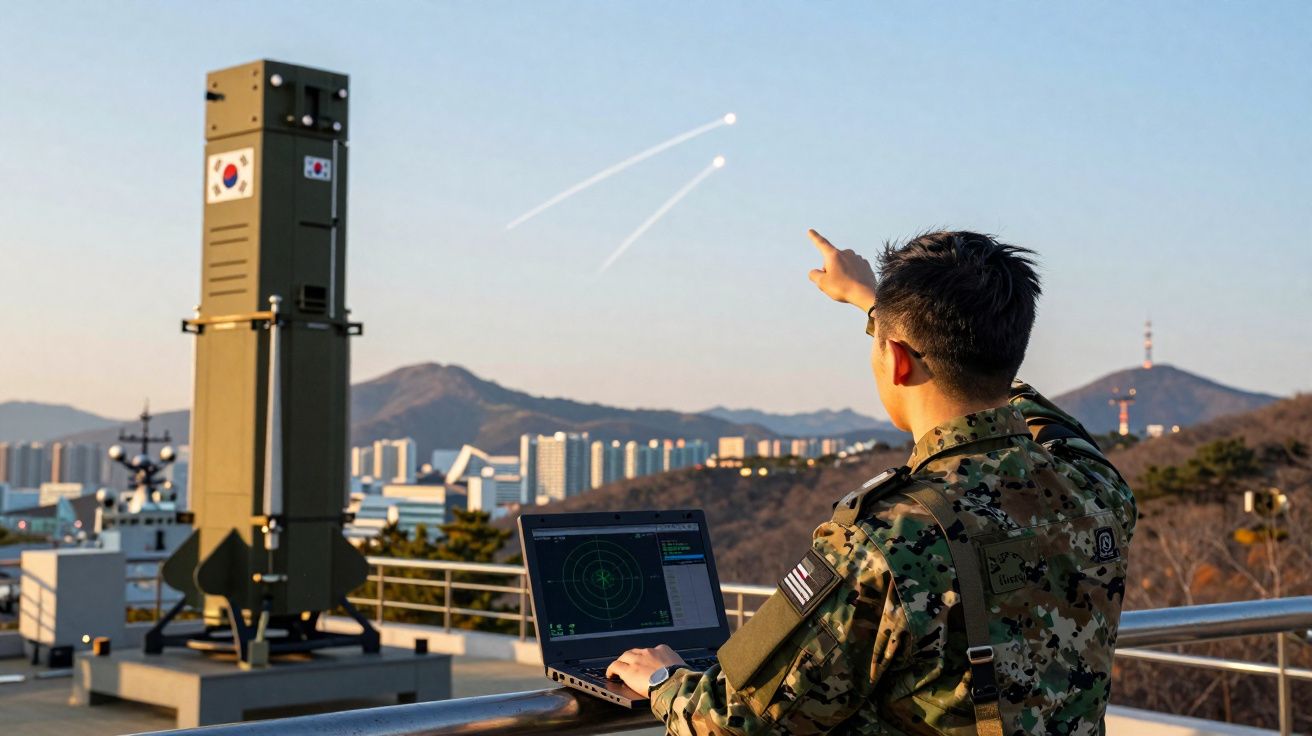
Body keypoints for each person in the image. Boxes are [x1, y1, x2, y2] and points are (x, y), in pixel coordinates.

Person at [606, 230, 1138, 735]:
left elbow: (731, 721)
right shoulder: (1095, 488)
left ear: (898, 360)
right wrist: (879, 309)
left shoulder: (886, 540)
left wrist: (663, 679)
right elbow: (1016, 394)